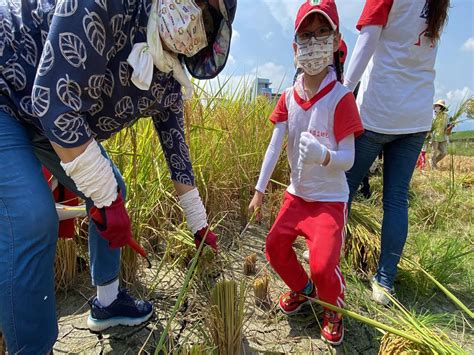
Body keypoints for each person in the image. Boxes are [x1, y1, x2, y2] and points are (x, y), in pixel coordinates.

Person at [0, 0, 236, 353]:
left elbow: (177, 153)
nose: (193, 15)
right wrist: (106, 201)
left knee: (114, 188)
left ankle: (107, 304)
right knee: (31, 218)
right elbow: (54, 101)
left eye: (207, 12)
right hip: (8, 90)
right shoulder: (110, 4)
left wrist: (198, 224)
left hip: (45, 121)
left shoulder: (169, 82)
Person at [249, 0, 363, 345]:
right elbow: (273, 145)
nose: (314, 42)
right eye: (306, 34)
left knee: (323, 264)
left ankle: (333, 307)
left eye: (322, 32)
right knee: (274, 248)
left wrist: (323, 155)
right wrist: (259, 189)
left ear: (335, 39)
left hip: (329, 200)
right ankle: (304, 290)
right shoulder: (288, 97)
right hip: (296, 195)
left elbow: (349, 158)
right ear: (296, 45)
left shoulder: (341, 98)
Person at [343, 0, 450, 305]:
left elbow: (366, 43)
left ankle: (329, 252)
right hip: (416, 116)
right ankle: (385, 280)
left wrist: (343, 92)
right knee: (396, 198)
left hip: (380, 109)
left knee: (346, 186)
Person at [429, 99, 451, 169]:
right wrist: (429, 137)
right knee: (434, 152)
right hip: (435, 137)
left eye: (439, 106)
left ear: (442, 108)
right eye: (436, 106)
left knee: (444, 153)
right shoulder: (433, 116)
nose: (437, 107)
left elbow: (449, 125)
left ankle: (433, 162)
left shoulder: (446, 116)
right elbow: (430, 127)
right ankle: (433, 168)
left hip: (443, 137)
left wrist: (451, 126)